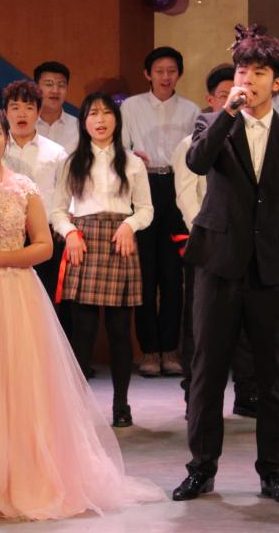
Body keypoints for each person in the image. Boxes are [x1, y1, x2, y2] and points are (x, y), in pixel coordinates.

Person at [0, 105, 163, 520]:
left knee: (16, 383)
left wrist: (4, 258)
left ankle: (22, 474)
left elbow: (44, 246)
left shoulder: (25, 187)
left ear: (6, 139)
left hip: (15, 291)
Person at [174, 26, 279, 506]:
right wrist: (227, 112)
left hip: (270, 268)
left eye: (259, 73)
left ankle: (274, 472)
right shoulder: (211, 122)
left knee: (273, 375)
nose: (248, 80)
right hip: (216, 263)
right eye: (242, 71)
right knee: (207, 370)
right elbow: (197, 163)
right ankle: (201, 468)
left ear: (276, 82)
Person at [51, 93, 153, 427]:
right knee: (82, 331)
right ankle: (79, 409)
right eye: (93, 113)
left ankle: (121, 405)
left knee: (120, 331)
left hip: (119, 242)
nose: (100, 119)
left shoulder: (132, 162)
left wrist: (129, 225)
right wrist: (70, 233)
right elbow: (57, 210)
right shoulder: (72, 162)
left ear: (116, 120)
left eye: (107, 113)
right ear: (83, 122)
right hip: (83, 242)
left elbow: (146, 210)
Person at [172, 67, 257, 418]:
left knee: (246, 321)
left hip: (245, 241)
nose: (235, 99)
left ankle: (247, 392)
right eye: (225, 95)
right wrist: (206, 231)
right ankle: (196, 395)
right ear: (211, 100)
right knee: (201, 324)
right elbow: (186, 194)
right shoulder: (192, 140)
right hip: (207, 241)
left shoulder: (256, 136)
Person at [121, 47, 200, 377]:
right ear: (147, 74)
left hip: (177, 189)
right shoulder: (130, 106)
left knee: (172, 274)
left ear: (178, 74)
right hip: (142, 186)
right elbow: (119, 148)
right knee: (145, 273)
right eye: (159, 71)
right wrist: (131, 156)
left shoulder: (192, 110)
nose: (165, 77)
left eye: (171, 71)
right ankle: (149, 351)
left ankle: (170, 349)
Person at [2, 79, 70, 336]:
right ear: (5, 112)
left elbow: (64, 198)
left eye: (29, 107)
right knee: (7, 305)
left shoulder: (56, 153)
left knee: (42, 306)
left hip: (44, 236)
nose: (22, 113)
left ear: (39, 112)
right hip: (5, 236)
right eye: (15, 107)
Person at [34, 61, 80, 153]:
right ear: (36, 87)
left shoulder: (78, 127)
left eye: (61, 85)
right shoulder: (24, 125)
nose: (55, 91)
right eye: (49, 84)